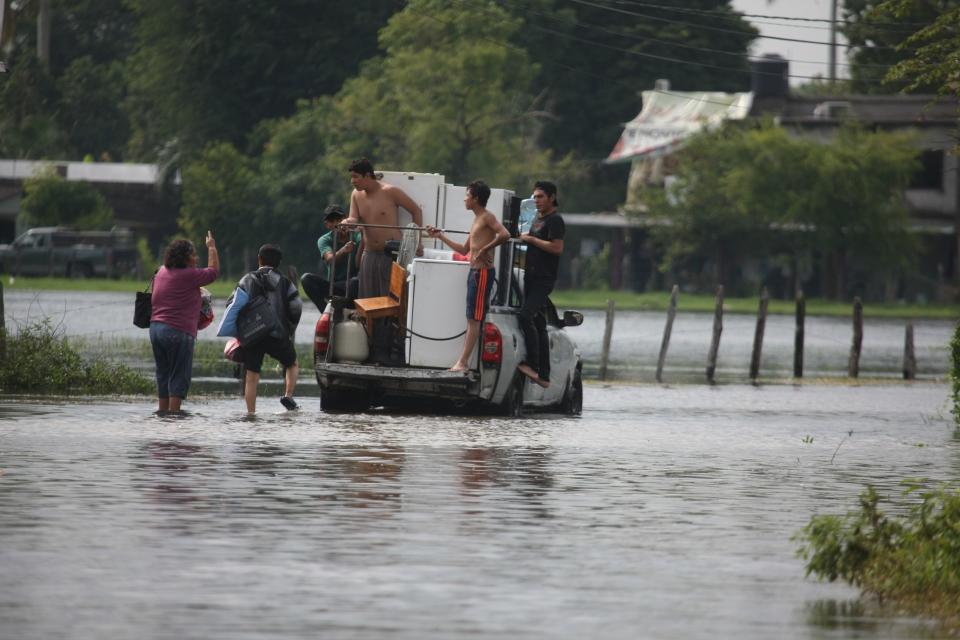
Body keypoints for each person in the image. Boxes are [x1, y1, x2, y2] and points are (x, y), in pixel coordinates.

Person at [426, 180, 509, 371]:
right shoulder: (476, 220)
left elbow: (505, 234)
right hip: (474, 273)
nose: (464, 199)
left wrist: (485, 250)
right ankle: (463, 361)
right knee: (471, 317)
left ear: (476, 199)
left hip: (482, 274)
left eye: (467, 195)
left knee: (474, 319)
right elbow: (464, 250)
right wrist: (440, 236)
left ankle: (462, 363)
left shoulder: (487, 217)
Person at [149, 231, 219, 413]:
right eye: (193, 255)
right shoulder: (189, 275)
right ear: (185, 257)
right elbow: (213, 272)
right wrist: (211, 247)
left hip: (156, 329)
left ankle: (162, 414)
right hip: (177, 331)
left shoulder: (161, 272)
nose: (196, 258)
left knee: (163, 373)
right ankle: (174, 418)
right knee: (179, 375)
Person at [234, 244, 302, 415]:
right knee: (292, 363)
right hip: (277, 335)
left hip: (252, 335)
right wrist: (289, 328)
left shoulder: (247, 279)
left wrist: (239, 330)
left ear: (259, 259)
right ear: (279, 263)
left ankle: (251, 414)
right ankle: (288, 395)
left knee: (251, 376)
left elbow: (232, 305)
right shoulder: (286, 283)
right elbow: (296, 307)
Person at [345, 157, 424, 298]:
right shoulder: (356, 195)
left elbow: (416, 211)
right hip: (369, 254)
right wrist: (346, 222)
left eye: (355, 177)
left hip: (391, 254)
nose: (352, 181)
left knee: (391, 299)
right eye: (351, 177)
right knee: (367, 300)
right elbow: (353, 218)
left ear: (368, 175)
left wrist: (417, 242)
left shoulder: (390, 191)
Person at [517, 181, 565, 388]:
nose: (536, 200)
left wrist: (532, 241)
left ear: (552, 197)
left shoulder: (555, 220)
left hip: (544, 278)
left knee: (525, 315)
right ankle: (543, 376)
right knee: (539, 325)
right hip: (530, 275)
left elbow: (556, 248)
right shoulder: (537, 218)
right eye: (535, 197)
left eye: (541, 197)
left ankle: (534, 365)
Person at [300, 204, 361, 311]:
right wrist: (343, 250)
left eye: (339, 220)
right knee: (306, 278)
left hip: (354, 284)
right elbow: (329, 259)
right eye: (332, 221)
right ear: (327, 225)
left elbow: (365, 242)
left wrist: (363, 231)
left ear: (346, 220)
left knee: (355, 282)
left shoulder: (356, 236)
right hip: (335, 286)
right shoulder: (324, 240)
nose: (337, 224)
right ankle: (325, 311)